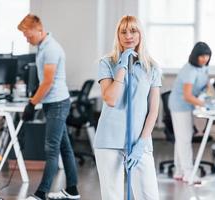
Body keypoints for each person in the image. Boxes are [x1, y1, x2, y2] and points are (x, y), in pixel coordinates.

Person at [94, 15, 161, 200]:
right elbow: (111, 99)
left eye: (133, 30)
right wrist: (122, 65)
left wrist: (142, 143)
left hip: (138, 140)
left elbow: (153, 110)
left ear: (140, 34)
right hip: (109, 140)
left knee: (149, 195)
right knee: (112, 196)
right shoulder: (107, 63)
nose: (128, 35)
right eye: (123, 31)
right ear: (118, 35)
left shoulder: (152, 68)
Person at [18, 14, 80, 200]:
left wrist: (31, 104)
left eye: (28, 35)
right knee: (64, 147)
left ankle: (41, 193)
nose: (27, 39)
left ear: (39, 29)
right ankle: (72, 190)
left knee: (51, 148)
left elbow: (47, 82)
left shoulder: (51, 49)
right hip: (52, 103)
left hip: (57, 104)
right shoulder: (42, 47)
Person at [168, 42, 212, 184]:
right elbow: (187, 96)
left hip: (189, 106)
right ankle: (189, 173)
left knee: (182, 138)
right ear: (195, 56)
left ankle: (179, 171)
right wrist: (206, 104)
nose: (205, 58)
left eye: (207, 55)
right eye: (202, 56)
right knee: (184, 139)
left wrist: (207, 93)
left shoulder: (203, 68)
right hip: (180, 106)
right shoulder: (189, 70)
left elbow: (206, 85)